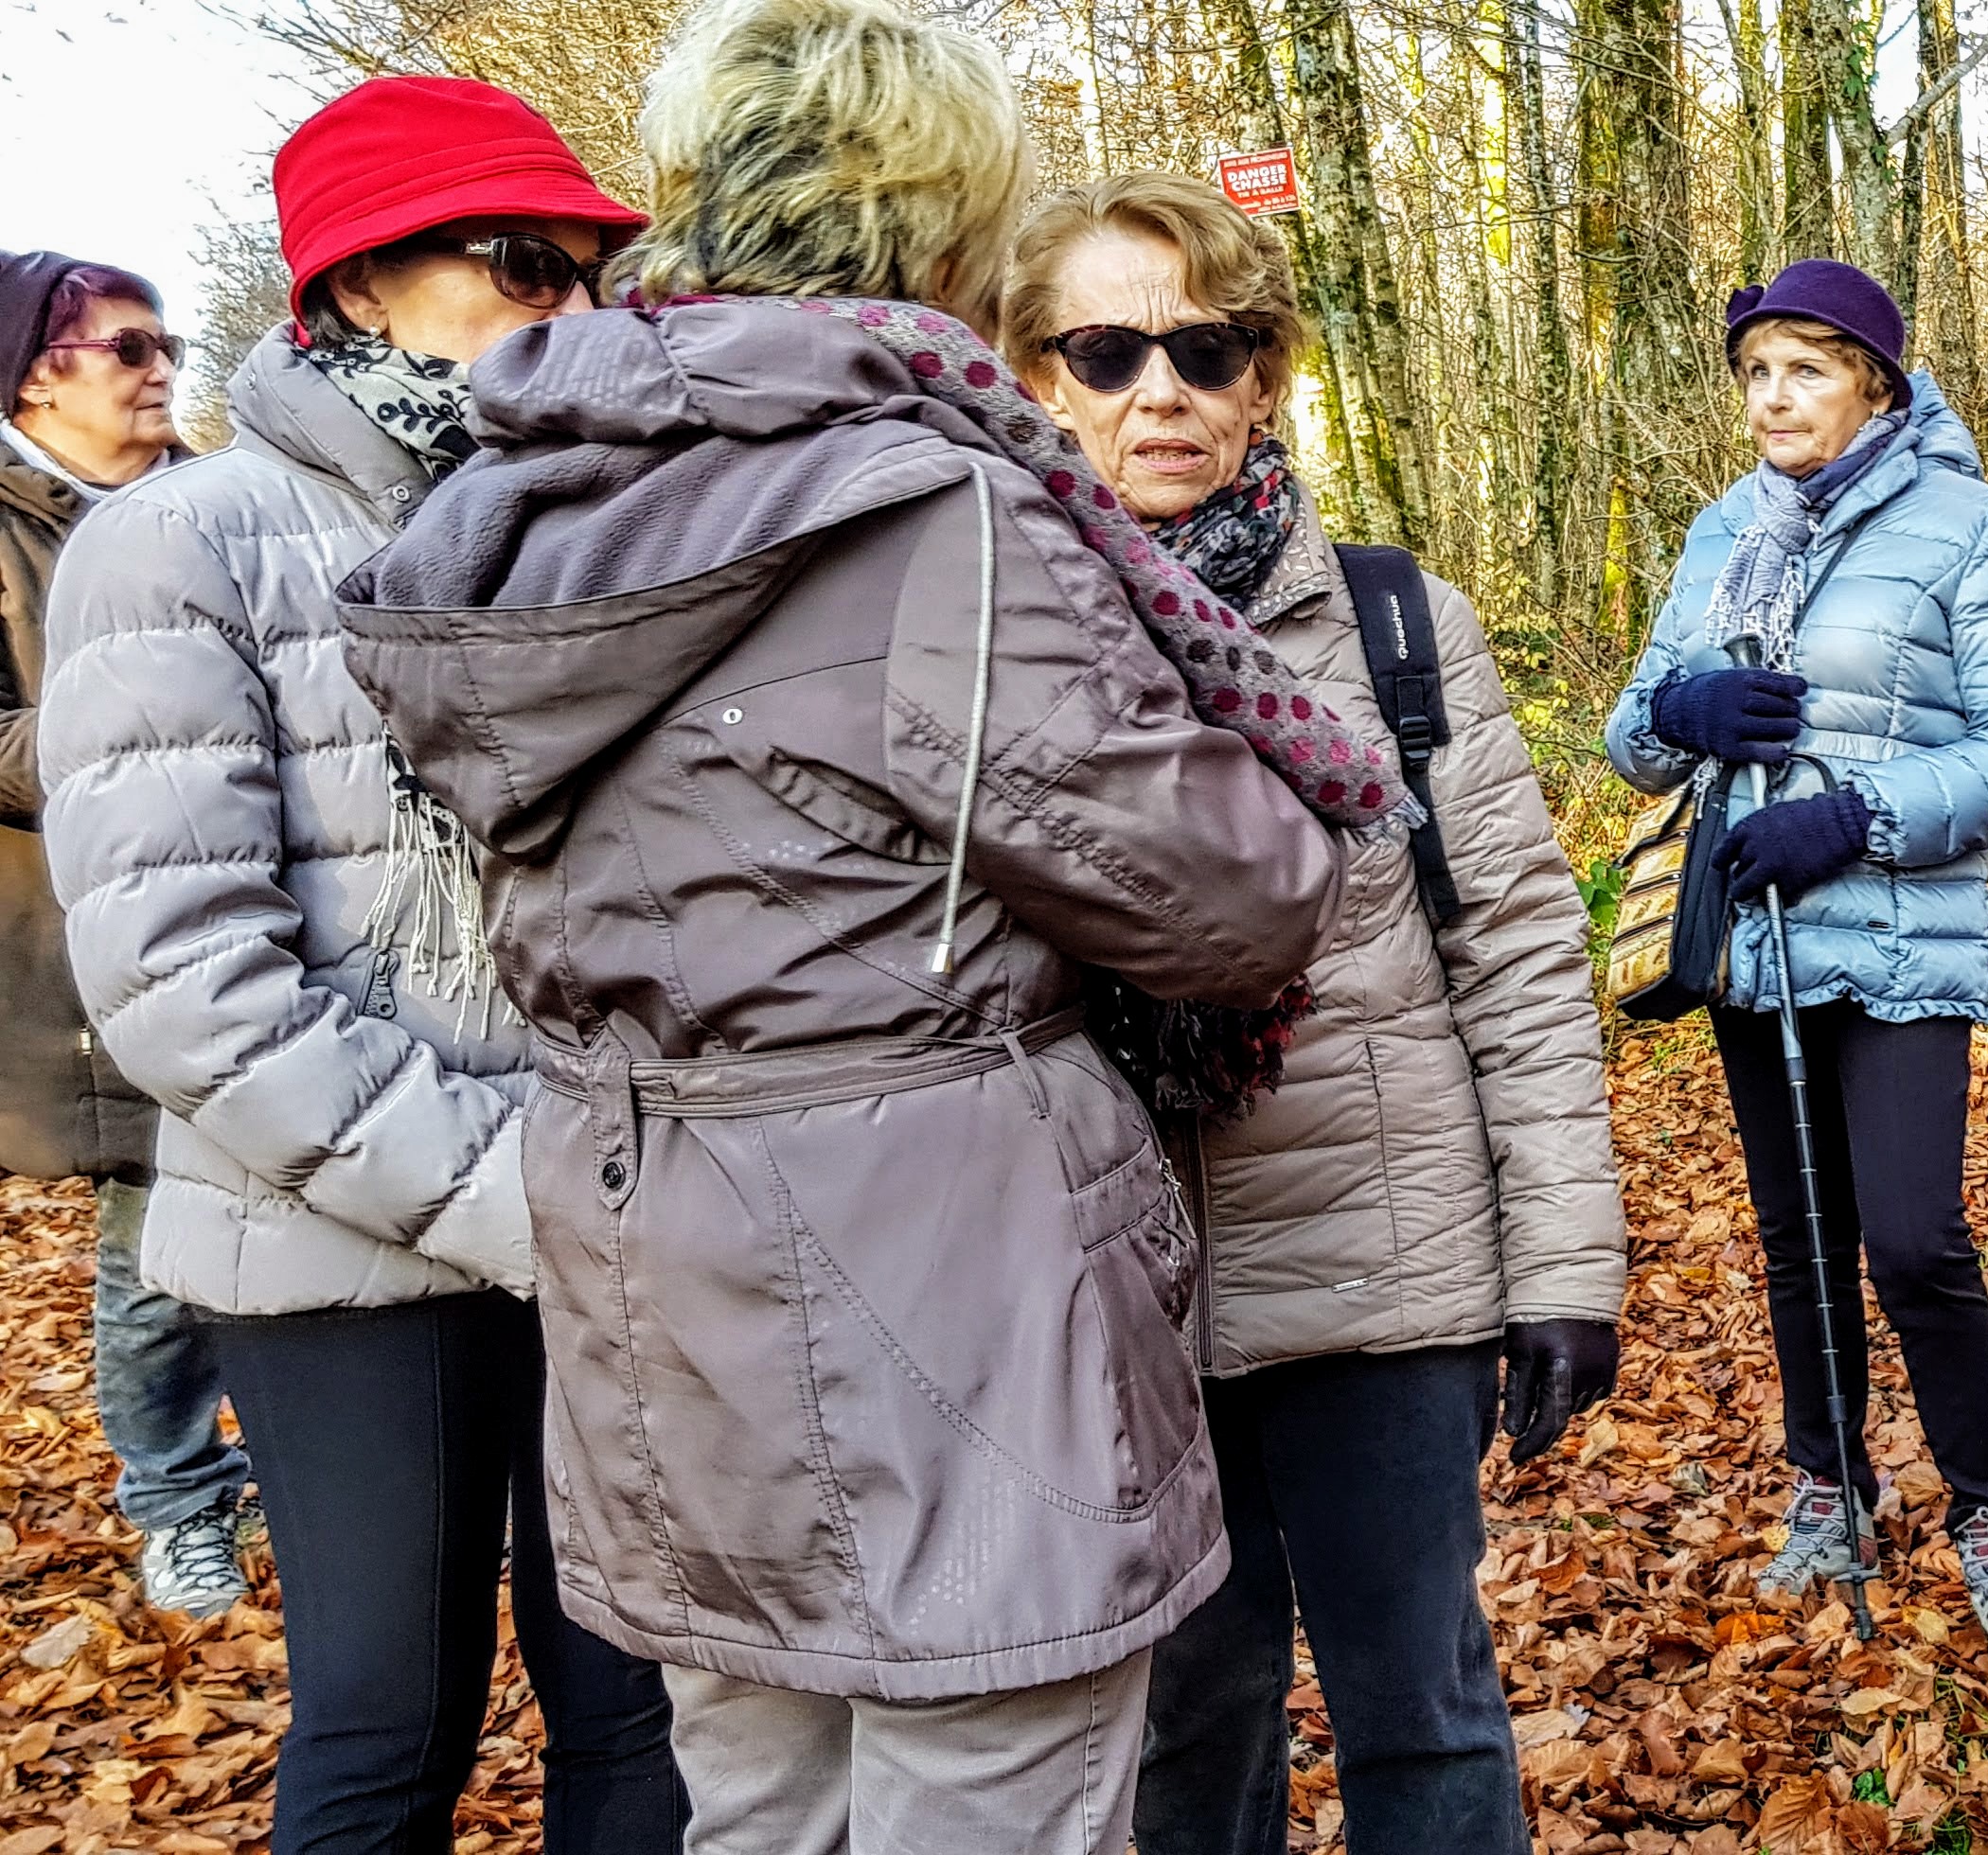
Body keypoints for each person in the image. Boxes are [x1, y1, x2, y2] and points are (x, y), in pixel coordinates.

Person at [337, 5, 1356, 1850]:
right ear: (952, 224)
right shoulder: (936, 510)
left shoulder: (517, 502)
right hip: (950, 1291)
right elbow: (1235, 896)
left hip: (656, 1267)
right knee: (989, 1789)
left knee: (758, 1798)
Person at [38, 78, 685, 1853]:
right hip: (335, 1245)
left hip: (619, 1212)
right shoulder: (183, 539)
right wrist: (517, 1187)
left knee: (646, 1712)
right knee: (394, 1721)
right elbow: (184, 983)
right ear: (355, 285)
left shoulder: (607, 524)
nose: (571, 299)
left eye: (592, 265)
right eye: (520, 259)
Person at [999, 171, 1626, 1855]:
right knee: (1183, 1743)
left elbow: (1516, 950)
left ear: (1263, 377)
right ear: (1036, 377)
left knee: (1421, 1718)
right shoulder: (988, 632)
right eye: (1107, 351)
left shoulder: (1393, 624)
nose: (1161, 392)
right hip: (1104, 1300)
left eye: (1206, 349)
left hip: (1382, 1282)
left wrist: (1564, 1271)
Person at [1606, 260, 1988, 1697]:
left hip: (1896, 940)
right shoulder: (1723, 529)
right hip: (1749, 939)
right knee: (1796, 1238)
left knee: (1914, 1238)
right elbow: (1631, 736)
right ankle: (1831, 1488)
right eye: (1756, 372)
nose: (1772, 398)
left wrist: (1857, 816)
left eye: (1805, 370)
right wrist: (1680, 708)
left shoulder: (1973, 528)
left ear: (1875, 382)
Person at [0, 251, 253, 1619]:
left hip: (267, 911)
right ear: (35, 378)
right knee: (152, 1240)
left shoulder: (219, 501)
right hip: (81, 941)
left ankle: (287, 1466)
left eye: (167, 346)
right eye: (129, 348)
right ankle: (173, 1496)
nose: (163, 371)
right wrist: (136, 720)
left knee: (288, 1206)